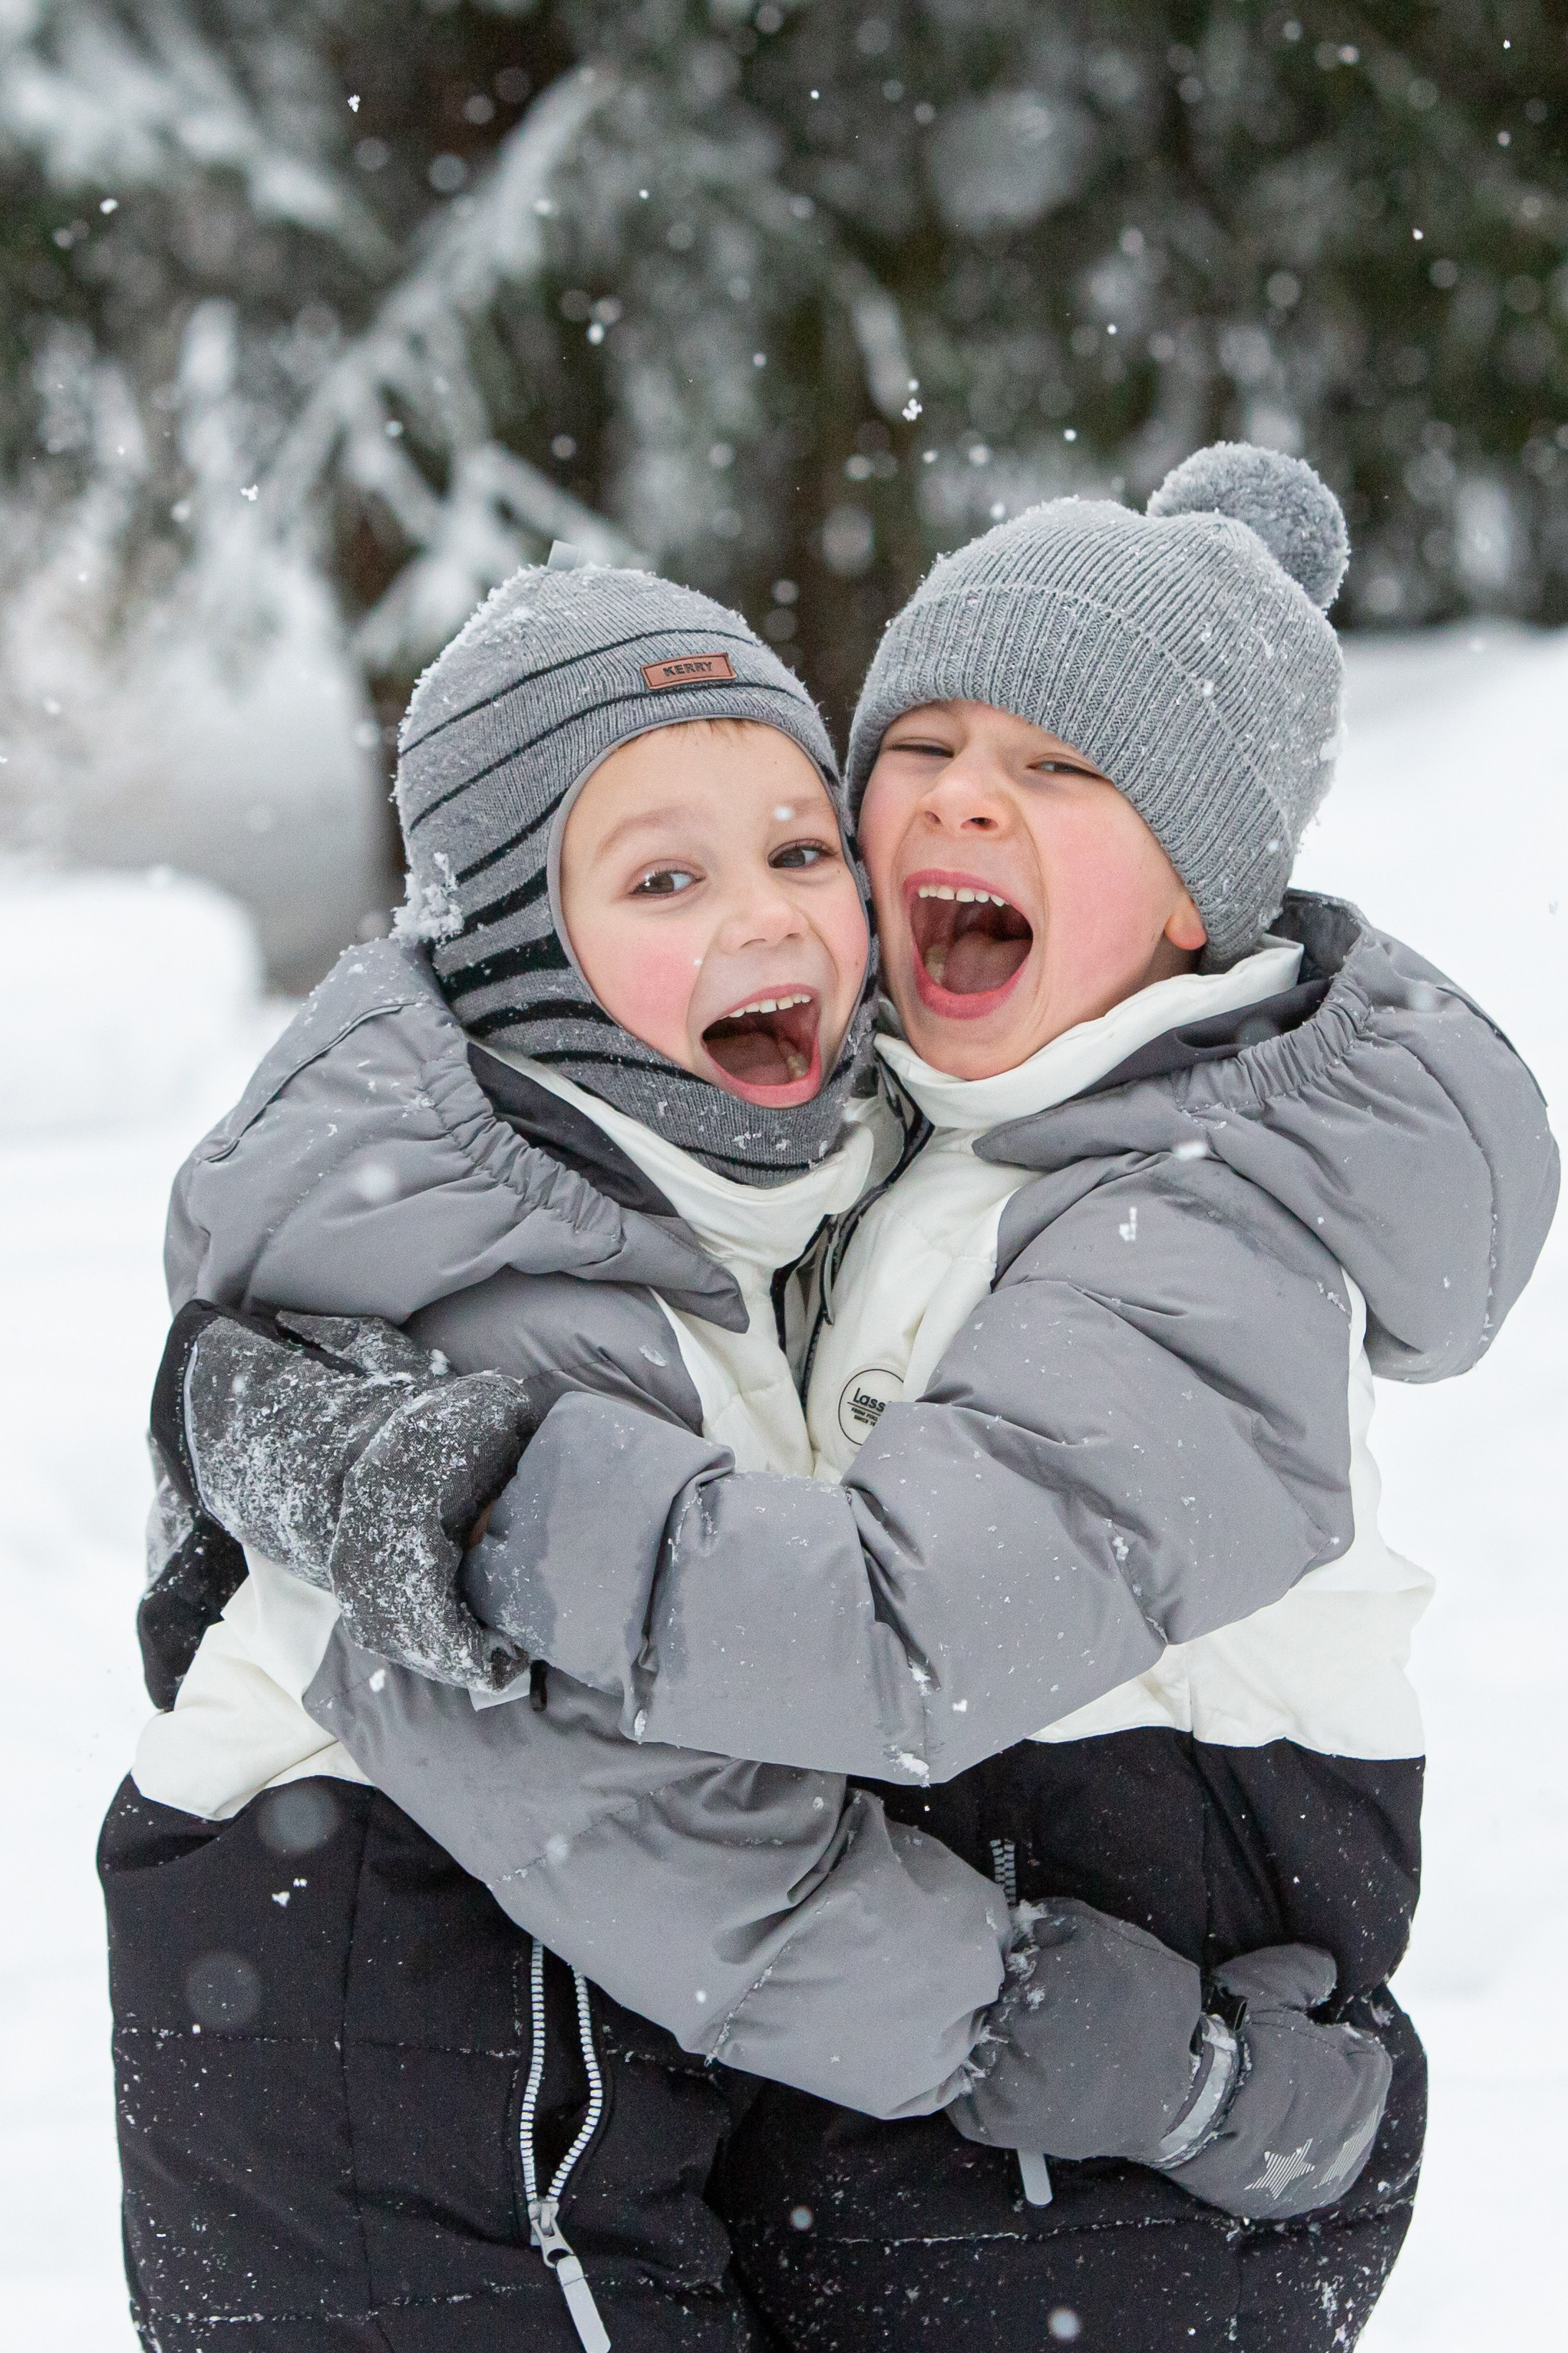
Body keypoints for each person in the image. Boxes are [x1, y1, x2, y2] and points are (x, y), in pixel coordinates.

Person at [123, 446, 1557, 2349]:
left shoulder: (1194, 1220)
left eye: (1062, 769)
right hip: (531, 2043)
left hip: (1135, 2092)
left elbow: (896, 1628)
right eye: (924, 745)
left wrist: (449, 1494)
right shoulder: (816, 1167)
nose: (961, 794)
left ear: (1198, 897)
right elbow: (609, 1774)